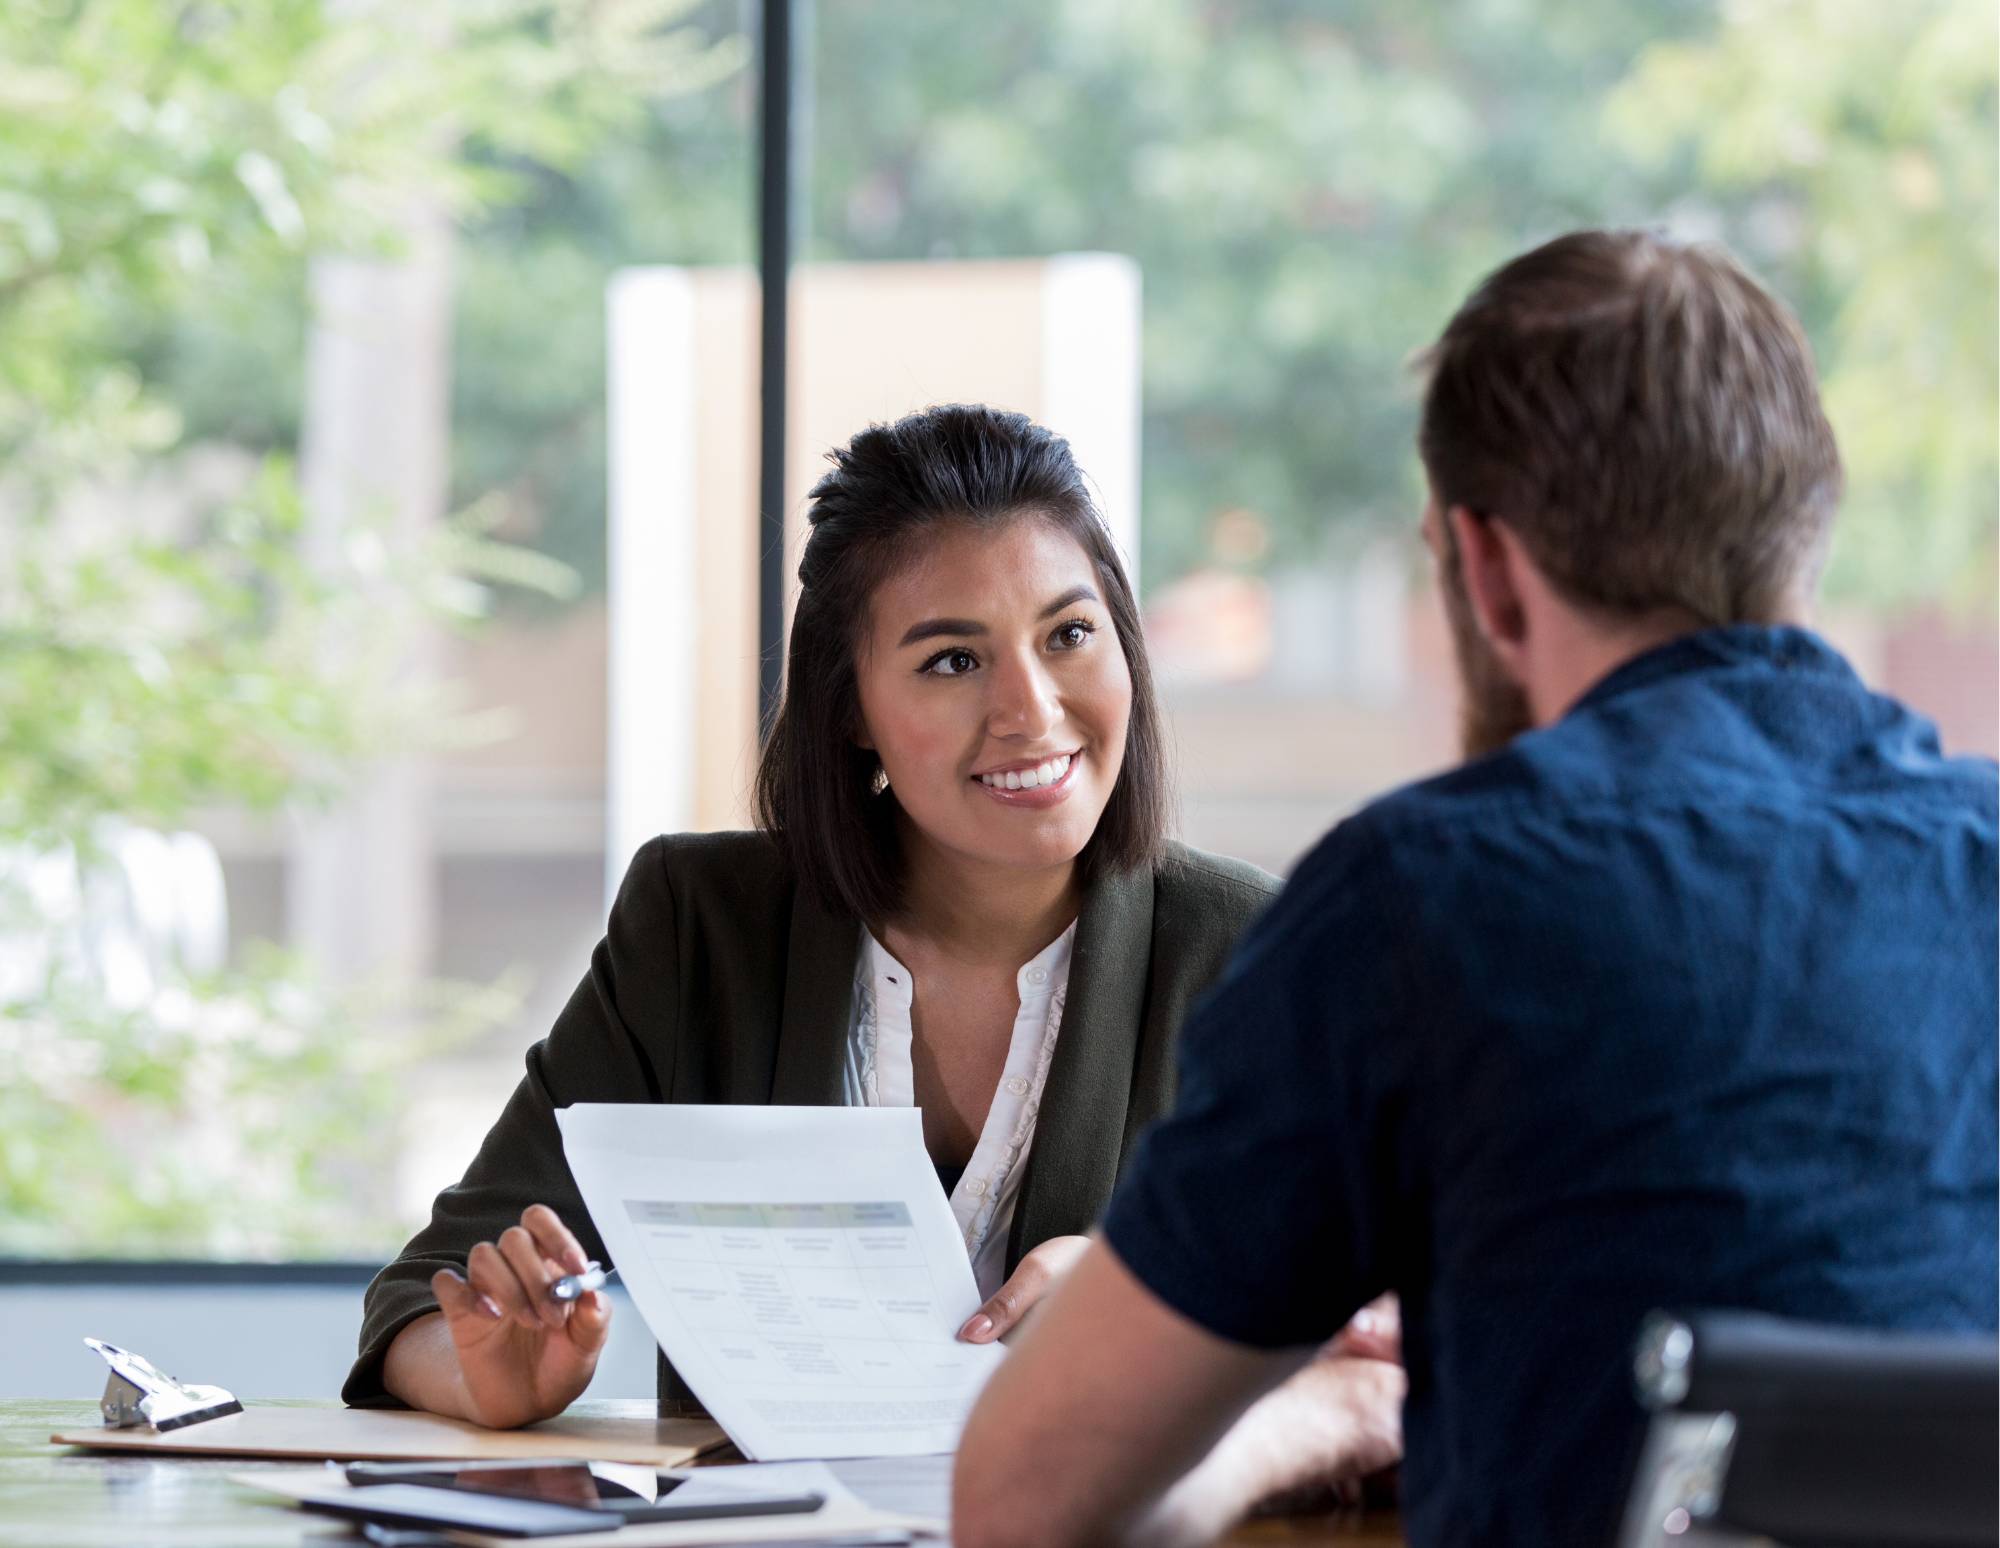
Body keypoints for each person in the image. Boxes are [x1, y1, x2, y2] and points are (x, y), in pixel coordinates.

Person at [952, 230, 2000, 1548]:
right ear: (1808, 525)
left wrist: (1322, 1416)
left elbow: (1021, 1504)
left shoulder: (1423, 902)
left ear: (1486, 568)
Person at [342, 405, 1395, 1459]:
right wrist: (486, 1378)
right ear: (850, 707)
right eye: (952, 661)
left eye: (1069, 635)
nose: (1031, 711)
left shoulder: (1255, 951)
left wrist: (1159, 1303)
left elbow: (1398, 1327)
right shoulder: (699, 929)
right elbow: (424, 1297)